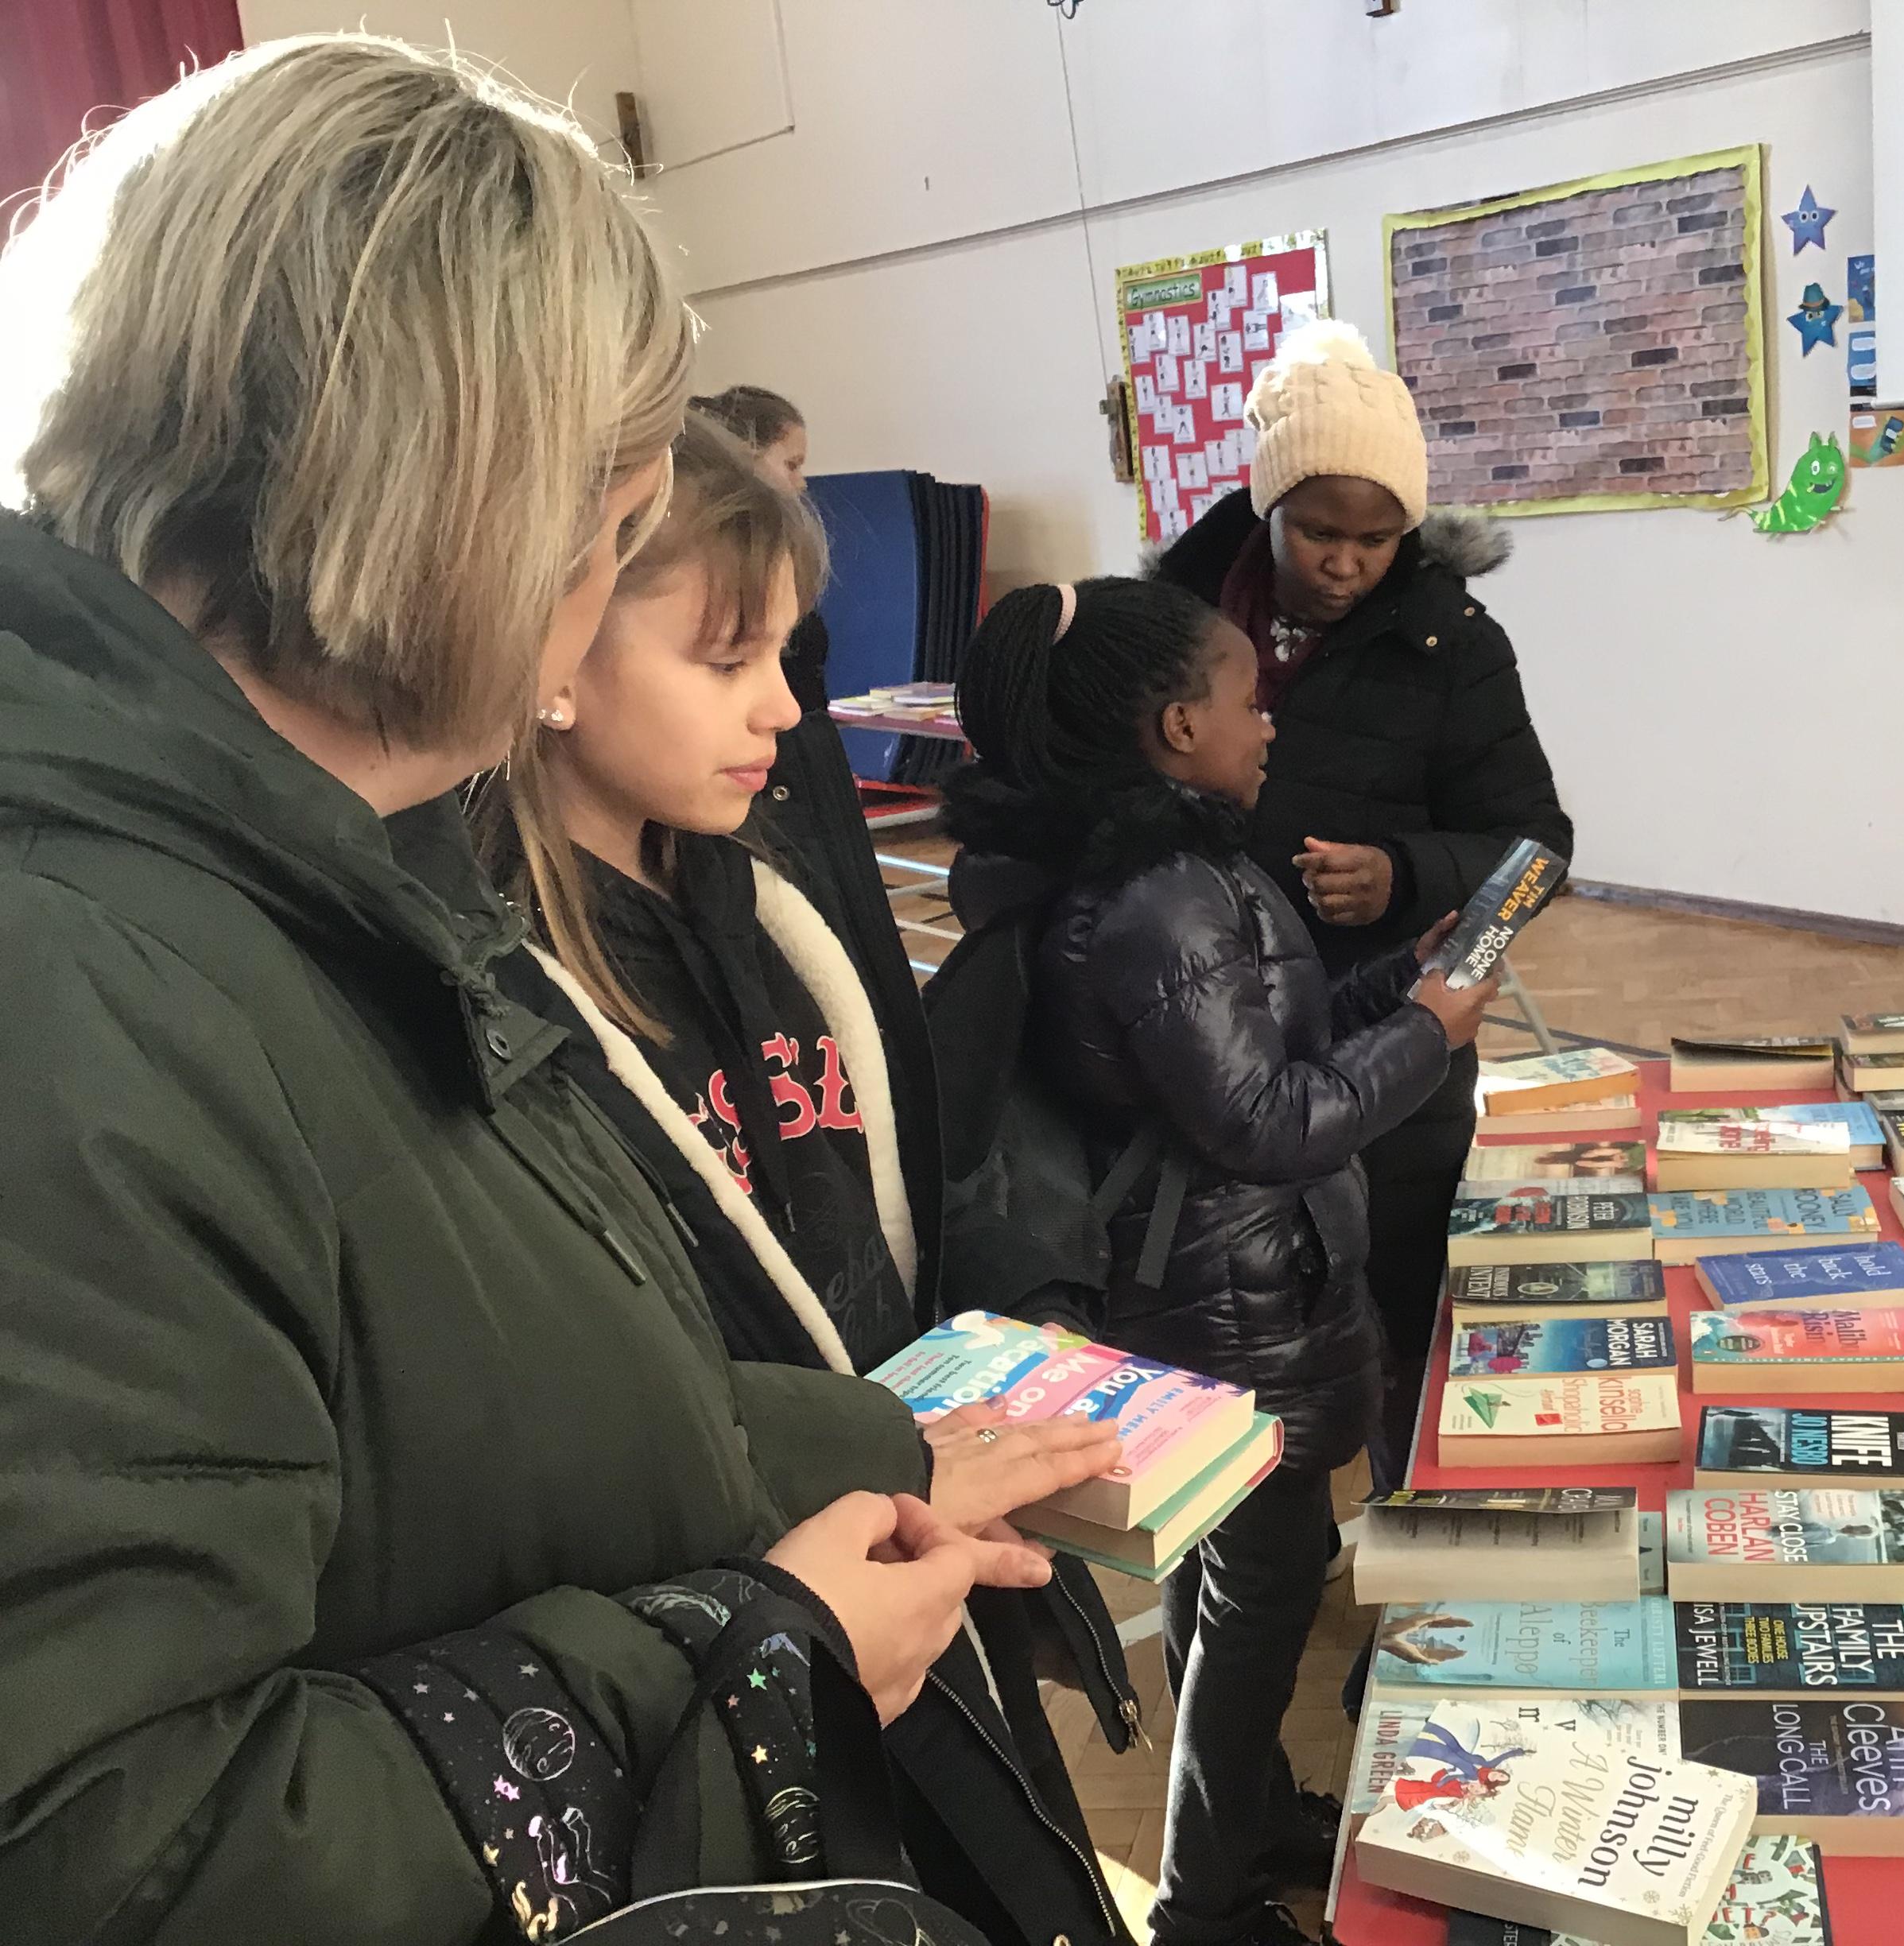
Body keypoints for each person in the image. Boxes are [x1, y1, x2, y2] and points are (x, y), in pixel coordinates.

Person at [0, 37, 1085, 1941]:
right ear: (474, 506)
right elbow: (115, 1853)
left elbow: (503, 1403)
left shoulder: (324, 871)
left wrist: (876, 1445)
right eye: (614, 526)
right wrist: (760, 1657)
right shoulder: (81, 981)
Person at [481, 409, 1136, 1944]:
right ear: (552, 651)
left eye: (784, 652)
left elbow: (895, 1192)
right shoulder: (505, 999)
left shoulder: (768, 897)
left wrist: (1021, 1324)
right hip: (761, 1607)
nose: (784, 705)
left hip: (917, 1512)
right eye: (727, 658)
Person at [943, 576, 1496, 1946]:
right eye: (1248, 697)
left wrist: (1401, 982)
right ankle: (1200, 1901)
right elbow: (1265, 1120)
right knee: (1258, 1595)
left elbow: (1267, 1041)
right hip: (1229, 1301)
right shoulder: (1161, 899)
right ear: (1180, 725)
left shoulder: (1177, 870)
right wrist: (1427, 1034)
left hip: (1232, 1279)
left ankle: (1241, 1816)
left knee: (1230, 1569)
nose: (1268, 721)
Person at [1153, 320, 1572, 1490]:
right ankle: (1262, 1527)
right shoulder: (1176, 626)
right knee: (1239, 1318)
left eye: (1375, 540)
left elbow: (1539, 853)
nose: (1344, 564)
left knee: (1402, 1301)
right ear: (1267, 506)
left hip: (1394, 1037)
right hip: (1217, 1036)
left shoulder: (1456, 645)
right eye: (1317, 532)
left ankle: (1409, 1511)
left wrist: (1409, 875)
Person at [692, 383, 832, 712]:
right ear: (747, 457)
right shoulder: (715, 563)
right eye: (792, 465)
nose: (802, 482)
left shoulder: (782, 551)